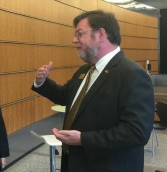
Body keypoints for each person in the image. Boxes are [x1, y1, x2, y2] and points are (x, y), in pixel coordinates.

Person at [31, 10, 154, 172]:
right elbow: (65, 96)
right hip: (76, 163)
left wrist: (83, 139)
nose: (74, 40)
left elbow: (136, 132)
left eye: (80, 34)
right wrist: (42, 82)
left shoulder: (131, 74)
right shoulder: (86, 71)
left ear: (101, 34)